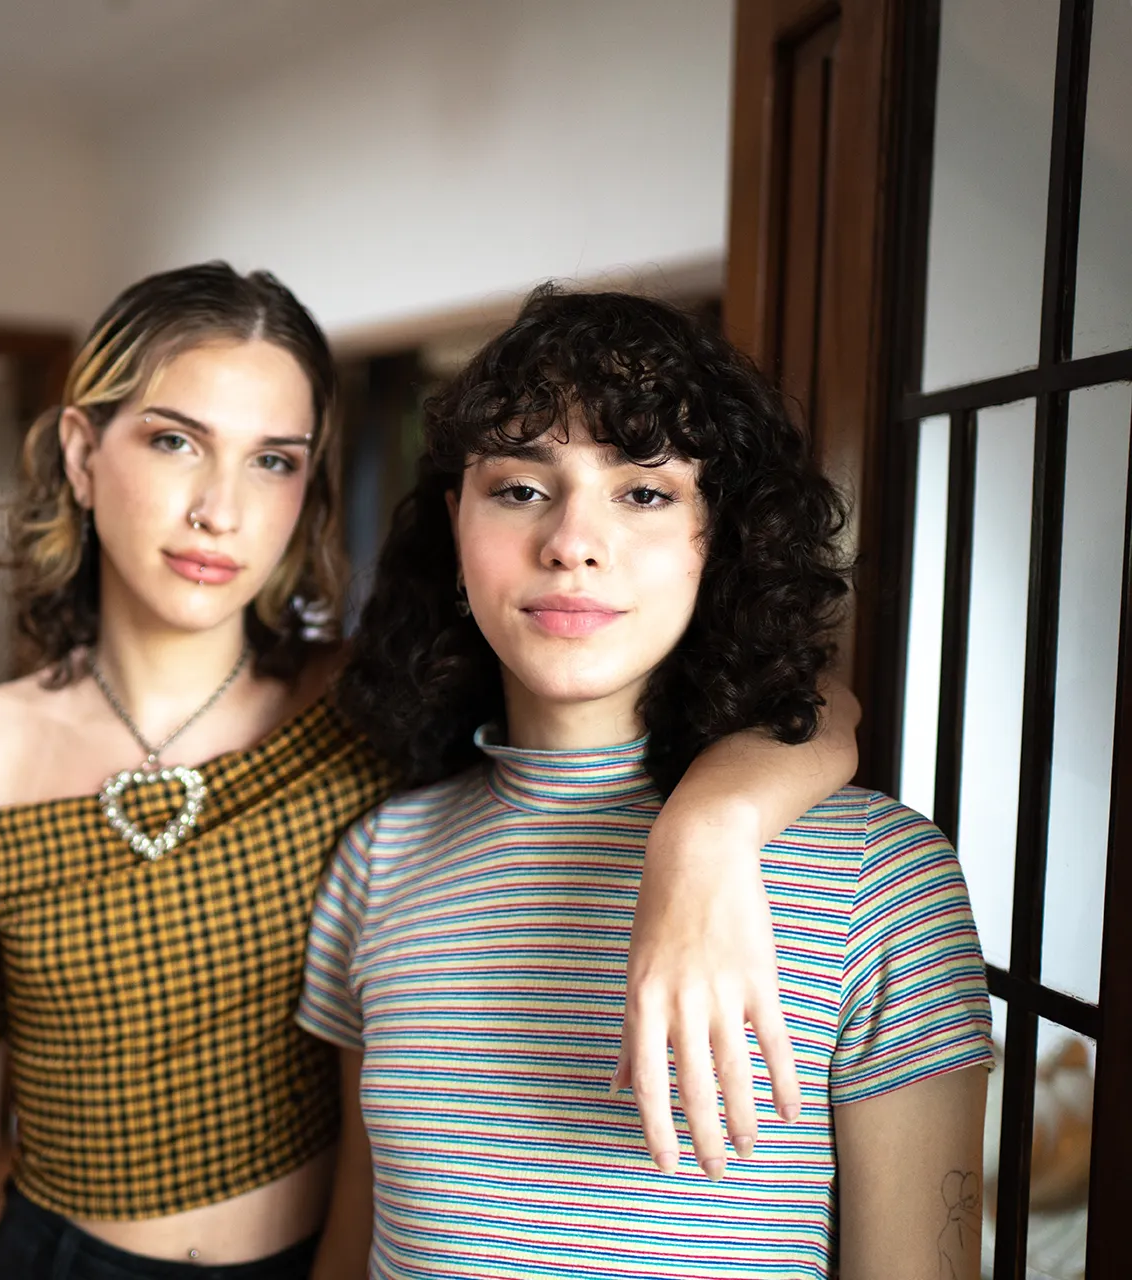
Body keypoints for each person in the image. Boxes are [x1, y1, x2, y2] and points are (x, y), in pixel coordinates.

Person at [0, 265, 863, 1279]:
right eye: (175, 440)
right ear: (82, 451)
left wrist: (710, 830)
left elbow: (806, 707)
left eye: (274, 460)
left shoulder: (369, 705)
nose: (219, 508)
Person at [300, 286, 991, 1279]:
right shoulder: (382, 859)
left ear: (719, 540)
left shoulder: (877, 877)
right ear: (457, 524)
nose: (572, 540)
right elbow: (355, 1243)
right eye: (520, 487)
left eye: (644, 491)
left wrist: (704, 830)